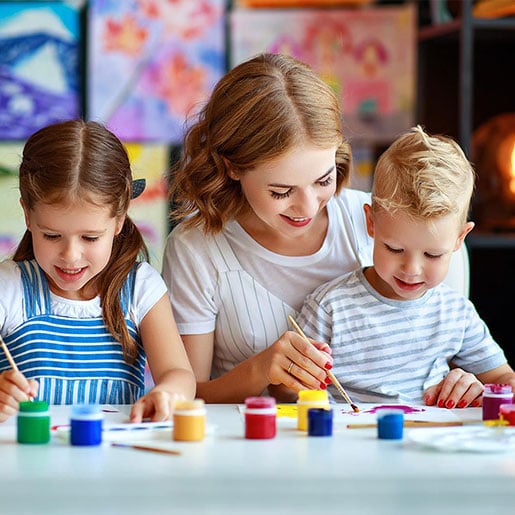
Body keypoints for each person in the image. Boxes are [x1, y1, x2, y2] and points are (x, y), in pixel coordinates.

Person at [163, 53, 468, 404]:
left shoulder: (384, 222)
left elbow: (447, 346)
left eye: (323, 180)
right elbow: (186, 397)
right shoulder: (196, 249)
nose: (307, 207)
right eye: (281, 191)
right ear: (232, 168)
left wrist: (462, 378)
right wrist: (260, 370)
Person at [296, 125, 515, 407]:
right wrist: (295, 382)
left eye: (433, 255)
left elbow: (503, 378)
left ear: (460, 238)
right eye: (395, 249)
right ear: (371, 222)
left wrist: (476, 387)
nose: (411, 269)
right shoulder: (329, 307)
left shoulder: (455, 312)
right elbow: (286, 392)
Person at [0, 120, 196, 423]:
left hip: (114, 464)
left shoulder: (140, 288)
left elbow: (179, 374)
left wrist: (168, 393)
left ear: (118, 221)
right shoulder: (8, 287)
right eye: (51, 236)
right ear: (27, 214)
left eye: (90, 238)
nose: (70, 255)